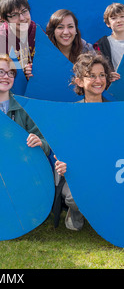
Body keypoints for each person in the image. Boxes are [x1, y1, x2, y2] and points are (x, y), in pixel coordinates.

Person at [53, 52, 112, 231]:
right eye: (91, 76)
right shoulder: (72, 115)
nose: (98, 80)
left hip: (109, 171)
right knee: (74, 197)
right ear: (79, 81)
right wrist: (60, 162)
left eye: (102, 75)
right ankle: (76, 212)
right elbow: (61, 148)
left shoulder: (115, 112)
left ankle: (105, 214)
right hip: (79, 173)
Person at [0, 0, 36, 72]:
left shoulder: (39, 32)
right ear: (5, 19)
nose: (22, 18)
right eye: (14, 15)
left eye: (24, 11)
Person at [93, 3, 124, 80]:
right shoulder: (100, 45)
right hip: (117, 87)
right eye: (114, 18)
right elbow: (97, 69)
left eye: (122, 16)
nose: (119, 21)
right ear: (108, 23)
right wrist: (107, 75)